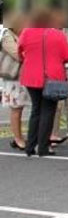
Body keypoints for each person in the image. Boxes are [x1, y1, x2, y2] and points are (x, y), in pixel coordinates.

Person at [17, 6, 68, 157]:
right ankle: (42, 147)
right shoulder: (58, 34)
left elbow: (19, 52)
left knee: (36, 110)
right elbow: (67, 56)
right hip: (52, 77)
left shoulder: (26, 32)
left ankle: (30, 146)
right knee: (48, 111)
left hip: (30, 75)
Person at [1, 11, 30, 150]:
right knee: (16, 108)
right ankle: (18, 138)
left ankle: (20, 136)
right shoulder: (6, 35)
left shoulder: (24, 33)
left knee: (22, 107)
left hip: (25, 75)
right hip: (13, 77)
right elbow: (17, 54)